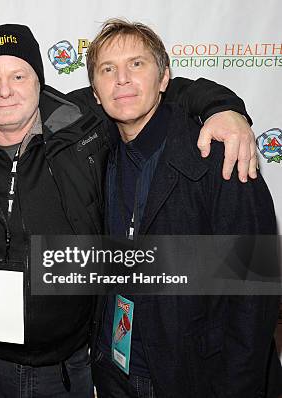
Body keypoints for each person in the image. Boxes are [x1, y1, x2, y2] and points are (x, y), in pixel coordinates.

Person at [0, 23, 259, 397]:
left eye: (18, 75)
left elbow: (252, 291)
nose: (4, 90)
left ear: (40, 83)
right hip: (7, 366)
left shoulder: (85, 136)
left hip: (102, 369)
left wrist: (223, 108)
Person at [85, 18, 281, 398]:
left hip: (191, 377)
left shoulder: (220, 155)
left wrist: (236, 388)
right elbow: (20, 104)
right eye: (108, 70)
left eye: (137, 64)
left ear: (165, 80)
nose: (122, 79)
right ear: (95, 91)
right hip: (113, 370)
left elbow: (253, 297)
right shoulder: (97, 149)